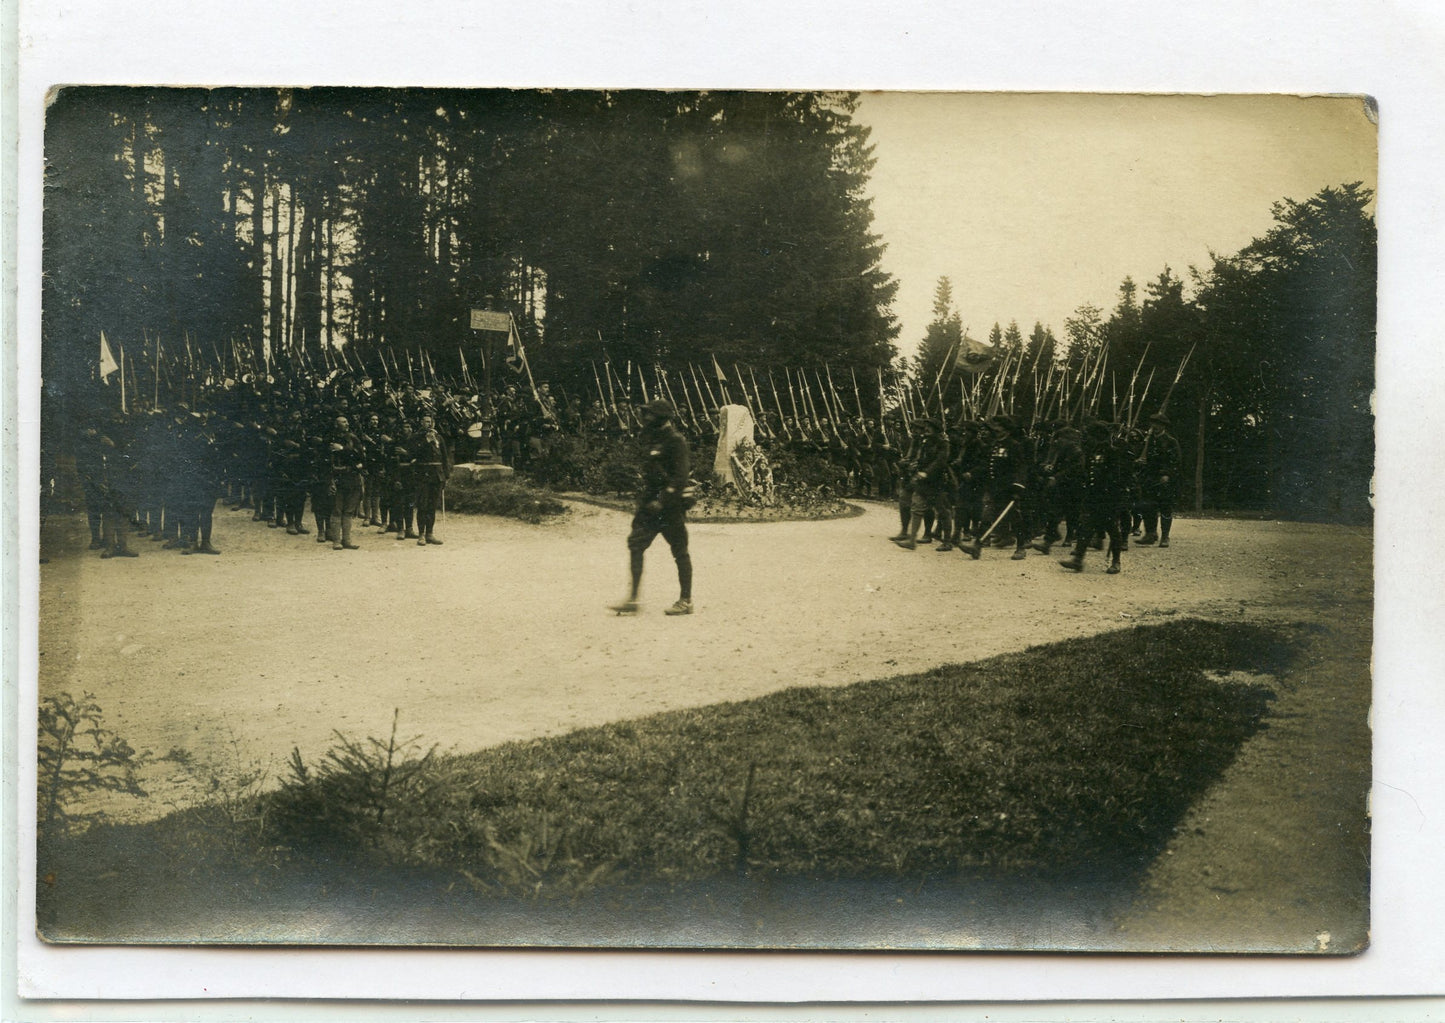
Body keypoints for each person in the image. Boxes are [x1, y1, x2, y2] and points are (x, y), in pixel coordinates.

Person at [611, 399, 694, 616]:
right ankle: (633, 599)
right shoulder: (652, 437)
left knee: (679, 550)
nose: (644, 418)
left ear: (661, 418)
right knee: (636, 544)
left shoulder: (676, 441)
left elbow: (680, 476)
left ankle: (685, 600)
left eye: (649, 414)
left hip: (669, 507)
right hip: (650, 504)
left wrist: (662, 500)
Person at [1136, 411, 1182, 548]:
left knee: (1165, 507)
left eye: (1158, 424)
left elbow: (1176, 461)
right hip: (1149, 477)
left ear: (1164, 426)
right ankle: (1150, 534)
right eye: (1153, 423)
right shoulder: (1148, 441)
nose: (1154, 426)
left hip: (1164, 479)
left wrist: (1167, 474)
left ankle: (1165, 537)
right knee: (1148, 506)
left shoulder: (1171, 441)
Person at [411, 412, 451, 545]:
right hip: (423, 475)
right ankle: (421, 534)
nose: (428, 424)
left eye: (430, 421)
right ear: (421, 423)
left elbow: (445, 457)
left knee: (432, 506)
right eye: (425, 421)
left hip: (437, 475)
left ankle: (430, 533)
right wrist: (426, 442)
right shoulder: (416, 437)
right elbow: (413, 454)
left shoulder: (439, 437)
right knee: (422, 505)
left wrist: (446, 475)